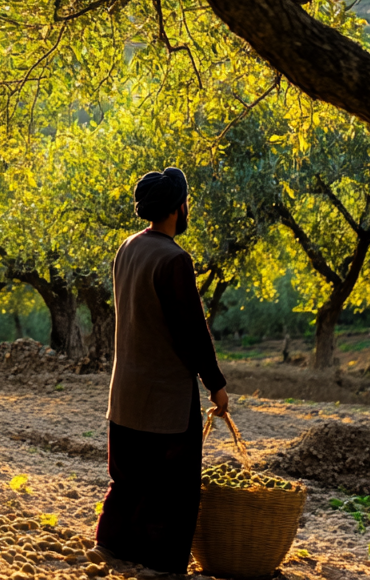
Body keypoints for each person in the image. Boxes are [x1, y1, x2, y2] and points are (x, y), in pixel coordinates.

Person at [94, 167, 227, 576]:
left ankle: (113, 548)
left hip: (125, 395)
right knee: (174, 489)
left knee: (127, 481)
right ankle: (162, 565)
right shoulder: (174, 259)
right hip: (165, 400)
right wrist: (216, 385)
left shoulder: (127, 247)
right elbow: (192, 332)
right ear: (177, 207)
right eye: (186, 203)